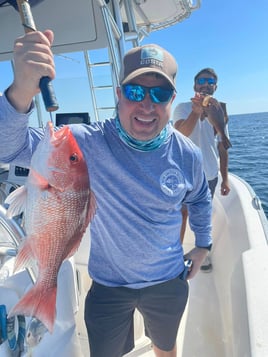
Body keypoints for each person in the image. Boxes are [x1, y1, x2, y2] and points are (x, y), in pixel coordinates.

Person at [0, 30, 213, 357]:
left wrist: (202, 245)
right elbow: (8, 147)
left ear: (172, 101)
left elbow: (199, 199)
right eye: (135, 91)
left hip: (168, 280)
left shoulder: (187, 154)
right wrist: (21, 93)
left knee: (166, 348)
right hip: (108, 286)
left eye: (159, 94)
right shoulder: (86, 143)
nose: (146, 104)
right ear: (118, 94)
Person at [173, 68, 231, 272]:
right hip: (184, 173)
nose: (206, 84)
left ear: (215, 86)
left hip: (210, 174)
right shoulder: (182, 107)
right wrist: (195, 112)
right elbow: (180, 133)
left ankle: (202, 252)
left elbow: (222, 146)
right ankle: (174, 254)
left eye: (211, 81)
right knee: (181, 214)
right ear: (195, 85)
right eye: (201, 80)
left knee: (203, 215)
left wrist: (225, 178)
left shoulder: (219, 110)